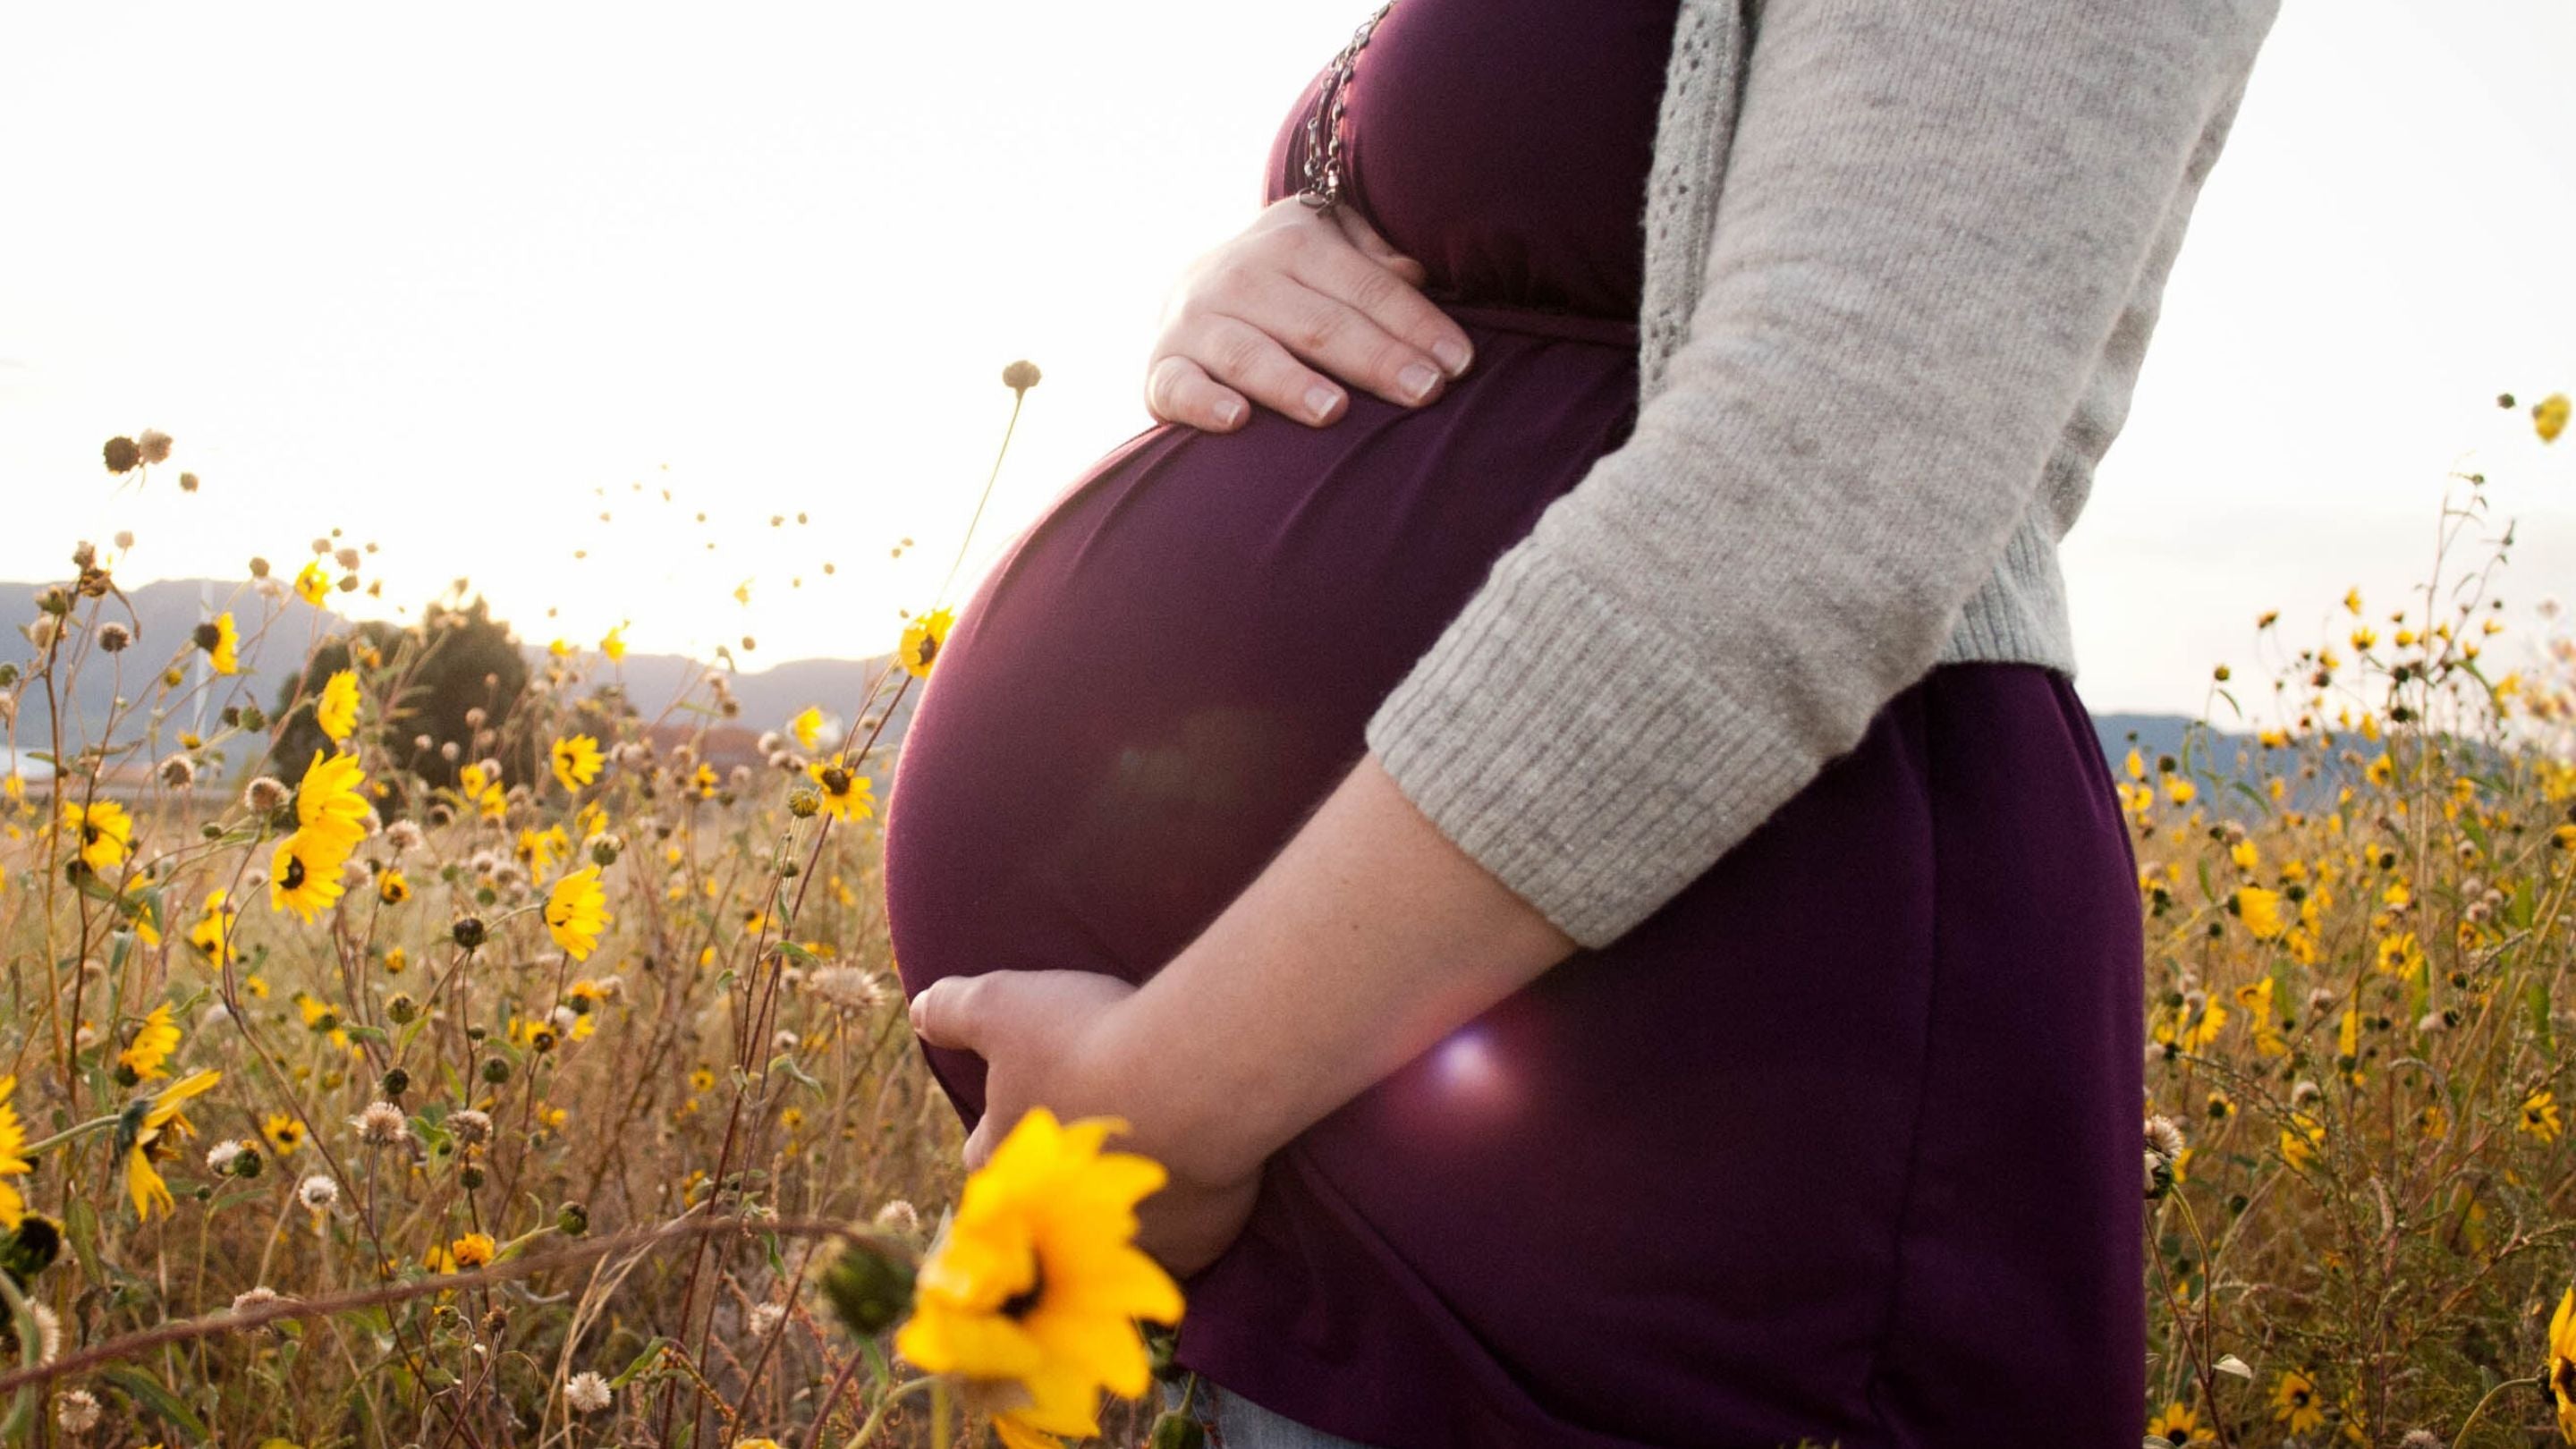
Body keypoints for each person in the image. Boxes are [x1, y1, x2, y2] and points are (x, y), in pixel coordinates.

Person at [885, 0, 2283, 1444]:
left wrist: (1167, 1104)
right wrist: (1273, 241)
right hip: (1342, 1118)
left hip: (1671, 1092)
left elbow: (1820, 479)